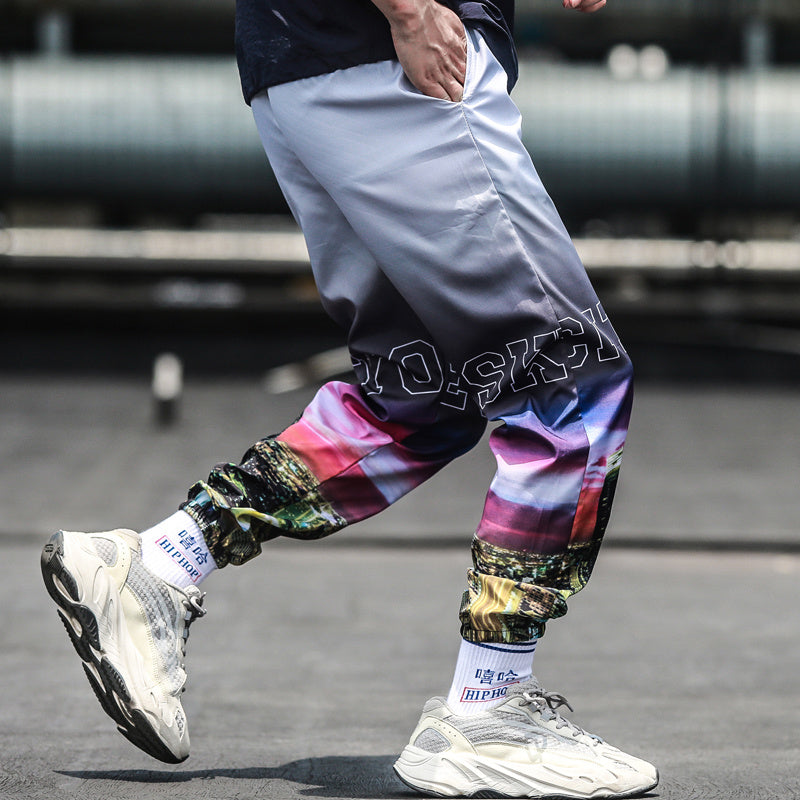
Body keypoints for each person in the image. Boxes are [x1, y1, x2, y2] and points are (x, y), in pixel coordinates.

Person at [41, 0, 659, 796]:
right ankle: (488, 711)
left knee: (423, 392)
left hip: (313, 63)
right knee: (567, 383)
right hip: (390, 56)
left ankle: (161, 565)